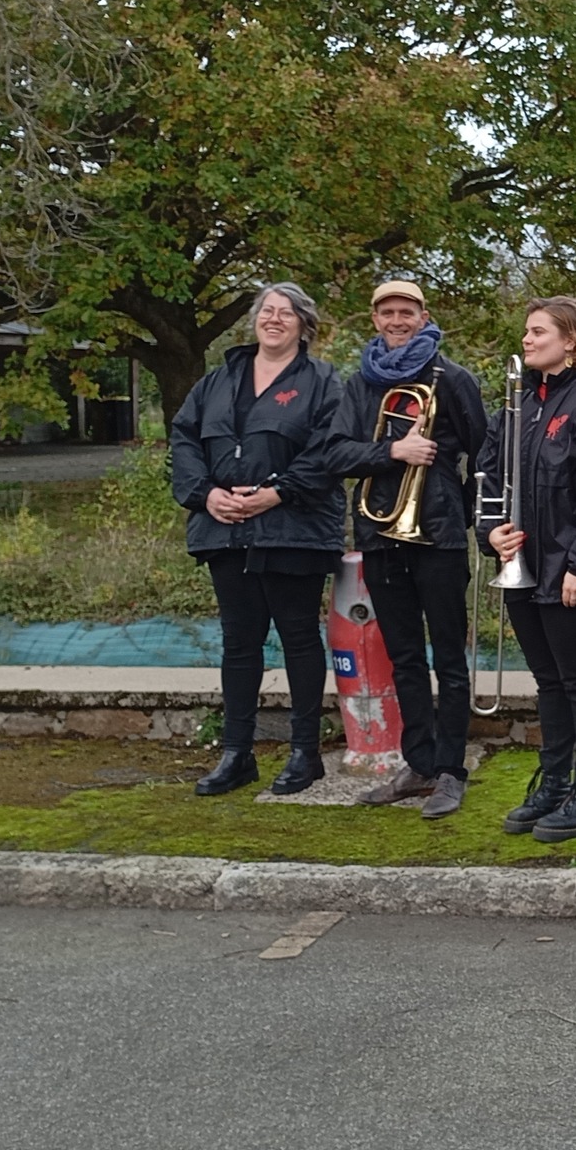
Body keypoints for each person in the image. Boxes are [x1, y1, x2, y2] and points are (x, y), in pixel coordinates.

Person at [170, 282, 346, 797]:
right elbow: (184, 439)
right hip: (226, 531)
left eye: (286, 313)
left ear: (304, 325)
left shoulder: (322, 382)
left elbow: (329, 449)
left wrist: (277, 494)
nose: (274, 319)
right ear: (254, 320)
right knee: (239, 643)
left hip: (294, 531)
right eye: (266, 311)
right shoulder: (216, 381)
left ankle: (305, 752)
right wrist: (206, 495)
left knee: (298, 638)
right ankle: (236, 754)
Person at [327, 281, 488, 819]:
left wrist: (464, 513)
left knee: (449, 657)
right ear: (375, 319)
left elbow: (484, 453)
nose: (397, 320)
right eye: (387, 312)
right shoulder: (361, 383)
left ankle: (451, 770)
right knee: (404, 657)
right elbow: (335, 453)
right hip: (379, 533)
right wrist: (393, 450)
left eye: (407, 312)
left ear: (424, 316)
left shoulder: (453, 378)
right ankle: (418, 763)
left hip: (438, 534)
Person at [476, 296, 576, 843]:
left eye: (538, 331)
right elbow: (488, 478)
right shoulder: (514, 407)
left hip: (571, 571)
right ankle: (554, 783)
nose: (526, 339)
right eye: (526, 331)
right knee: (548, 681)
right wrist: (490, 533)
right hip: (521, 565)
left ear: (571, 341)